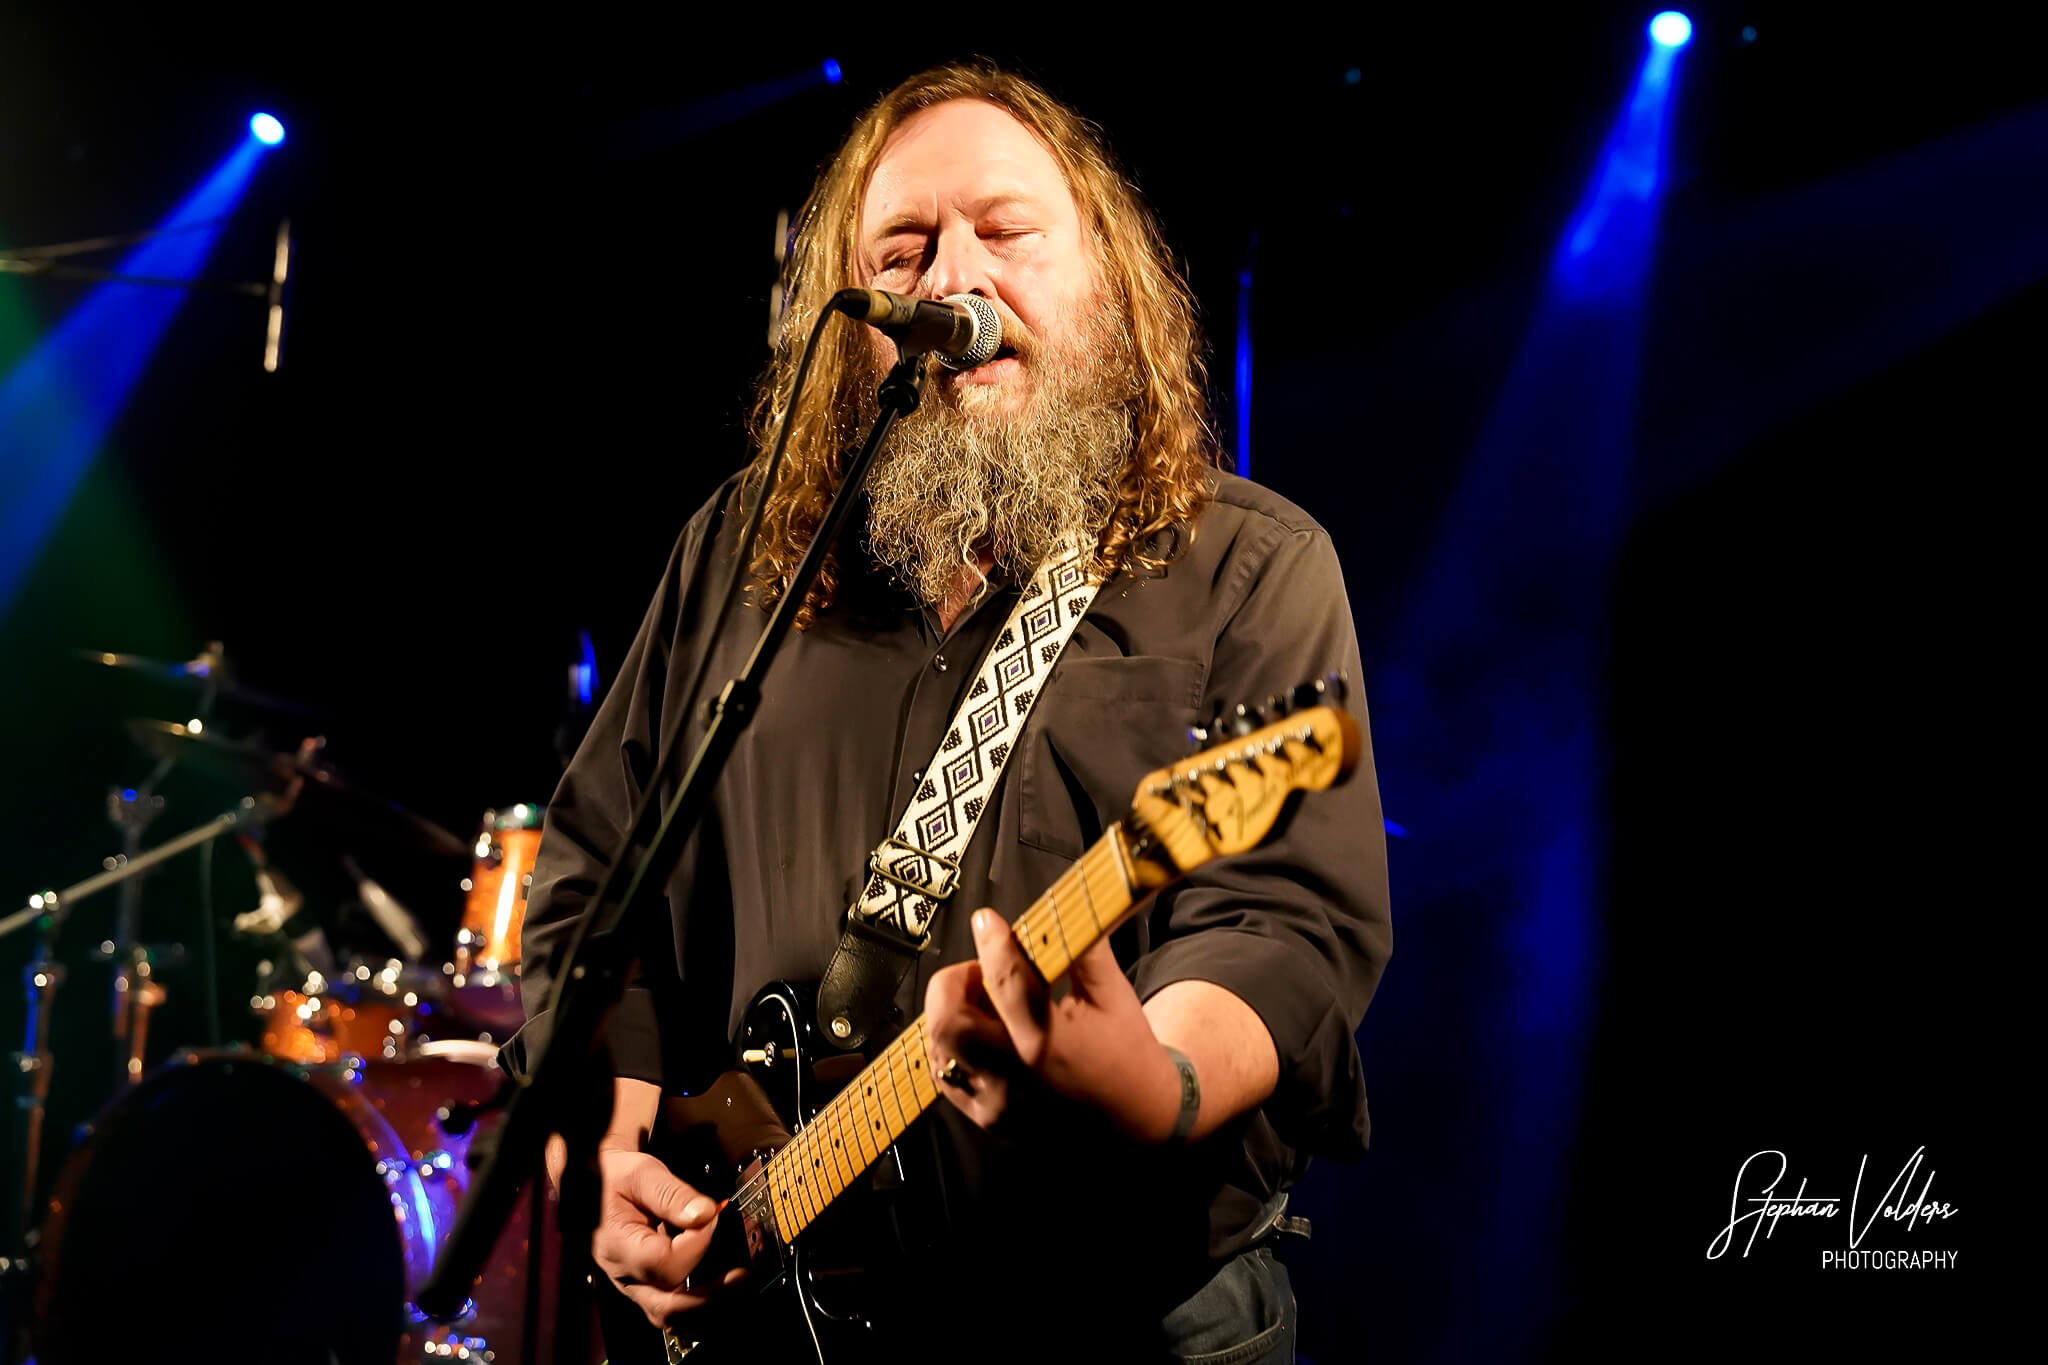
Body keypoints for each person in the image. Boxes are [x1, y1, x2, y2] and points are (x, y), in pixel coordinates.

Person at [507, 61, 1392, 1364]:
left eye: (1006, 230)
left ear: (1108, 280)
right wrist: (615, 1144)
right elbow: (600, 873)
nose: (954, 278)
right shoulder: (747, 554)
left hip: (1129, 1317)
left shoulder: (1246, 567)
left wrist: (1150, 1080)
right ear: (855, 316)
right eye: (903, 251)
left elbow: (1284, 923)